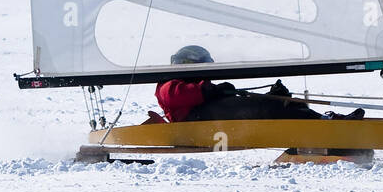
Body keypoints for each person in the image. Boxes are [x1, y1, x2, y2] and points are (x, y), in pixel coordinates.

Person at [146, 45, 364, 123]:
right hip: (195, 120)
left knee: (276, 101)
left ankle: (324, 119)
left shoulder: (195, 86)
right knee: (264, 107)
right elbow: (181, 95)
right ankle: (325, 124)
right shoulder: (168, 85)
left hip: (208, 112)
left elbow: (202, 91)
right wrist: (211, 89)